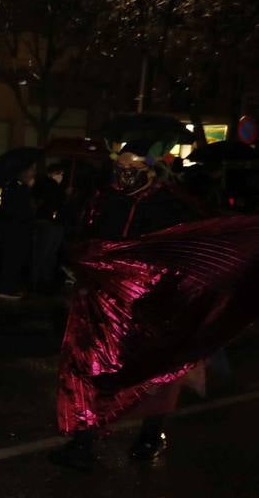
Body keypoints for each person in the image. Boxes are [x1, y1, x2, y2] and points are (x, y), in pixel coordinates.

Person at [50, 145, 238, 471]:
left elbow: (185, 247)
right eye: (120, 168)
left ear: (149, 171)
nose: (124, 175)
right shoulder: (103, 199)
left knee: (154, 369)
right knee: (91, 366)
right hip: (102, 299)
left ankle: (151, 434)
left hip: (148, 301)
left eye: (132, 169)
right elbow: (82, 236)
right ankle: (84, 440)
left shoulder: (170, 204)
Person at [0, 165, 36, 299]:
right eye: (30, 170)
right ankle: (5, 288)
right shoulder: (13, 187)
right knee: (11, 258)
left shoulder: (22, 187)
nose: (32, 173)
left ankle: (10, 287)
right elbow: (13, 208)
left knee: (17, 259)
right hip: (14, 228)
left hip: (20, 228)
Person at [31, 163, 68, 293]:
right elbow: (45, 201)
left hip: (55, 222)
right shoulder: (46, 185)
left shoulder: (56, 186)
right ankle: (39, 281)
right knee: (44, 252)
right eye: (59, 173)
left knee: (50, 253)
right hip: (48, 221)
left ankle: (45, 280)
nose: (61, 176)